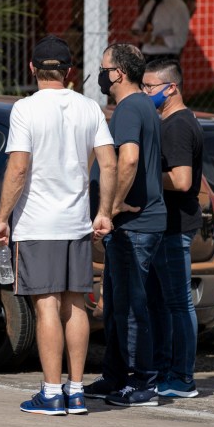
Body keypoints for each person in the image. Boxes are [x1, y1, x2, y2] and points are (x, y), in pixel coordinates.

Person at [0, 35, 117, 416]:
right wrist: (104, 211)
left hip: (38, 223)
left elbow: (18, 167)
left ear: (32, 68)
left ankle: (50, 391)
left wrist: (1, 218)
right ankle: (76, 391)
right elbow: (108, 163)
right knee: (76, 303)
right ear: (70, 72)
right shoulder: (90, 108)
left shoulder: (25, 109)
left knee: (46, 305)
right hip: (76, 221)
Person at [84, 43, 166, 407]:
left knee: (131, 305)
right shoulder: (139, 107)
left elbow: (128, 160)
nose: (101, 75)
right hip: (132, 226)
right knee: (117, 304)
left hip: (136, 225)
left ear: (118, 72)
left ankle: (142, 382)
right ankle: (115, 375)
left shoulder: (130, 108)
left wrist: (112, 207)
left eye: (104, 69)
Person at [142, 58, 204, 399]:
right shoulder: (169, 121)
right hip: (165, 226)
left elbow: (182, 181)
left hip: (174, 226)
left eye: (151, 87)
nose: (146, 92)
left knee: (178, 303)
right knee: (160, 303)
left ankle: (182, 378)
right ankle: (165, 371)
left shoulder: (178, 125)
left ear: (172, 87)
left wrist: (145, 177)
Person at [130, 0, 190, 64]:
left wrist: (154, 40)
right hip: (146, 54)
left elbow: (180, 39)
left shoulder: (178, 7)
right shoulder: (151, 4)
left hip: (166, 57)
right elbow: (137, 25)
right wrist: (139, 34)